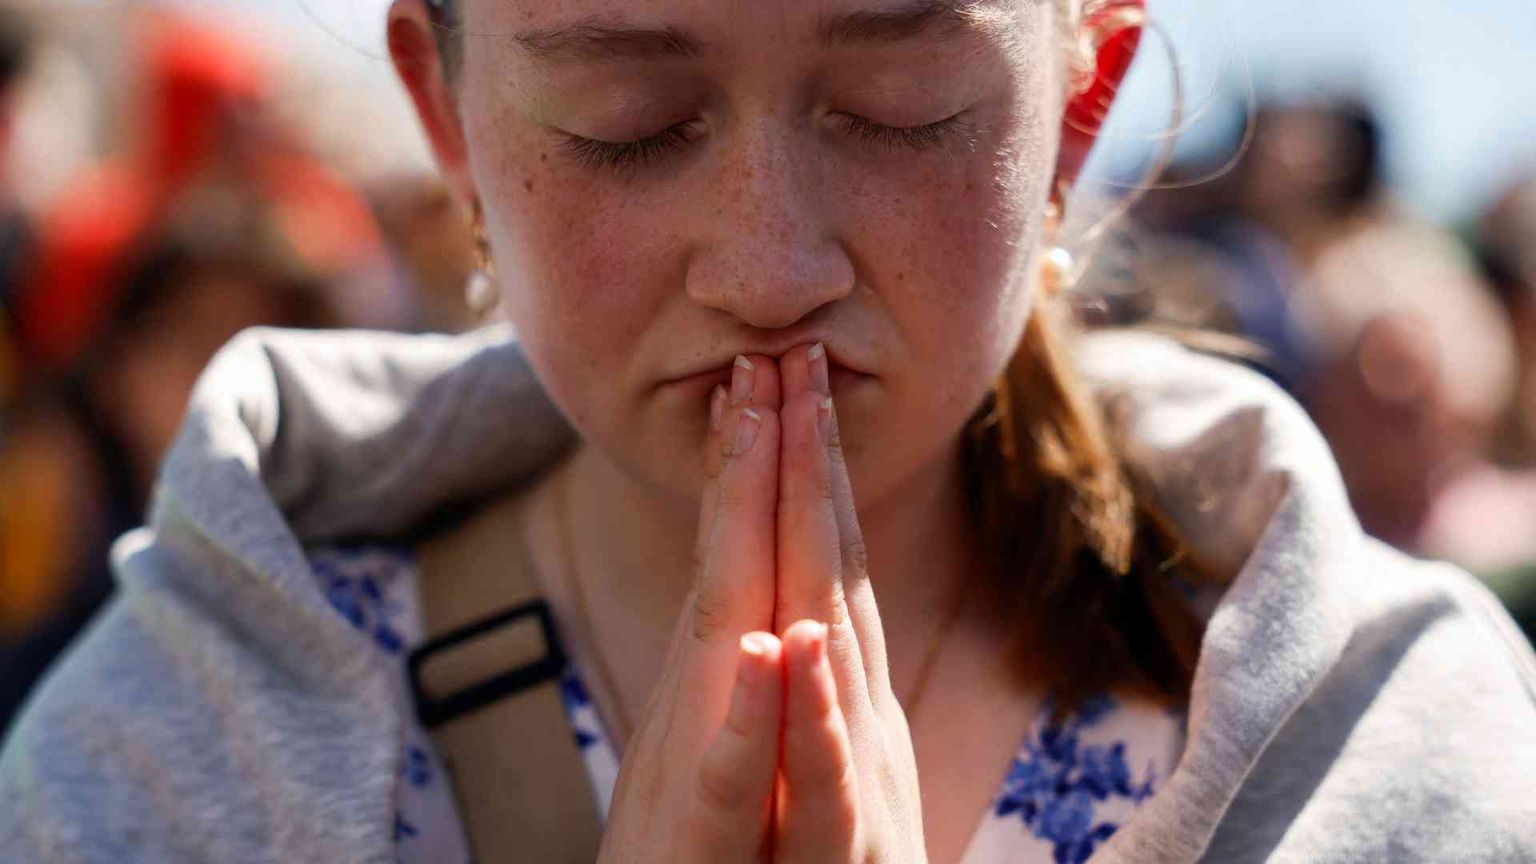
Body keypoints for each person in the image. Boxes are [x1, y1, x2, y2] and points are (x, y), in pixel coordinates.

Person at [3, 2, 1535, 863]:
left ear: (1083, 96)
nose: (770, 265)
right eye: (629, 123)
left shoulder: (1402, 742)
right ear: (451, 122)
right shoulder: (171, 756)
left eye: (900, 103)